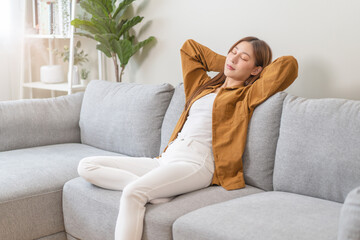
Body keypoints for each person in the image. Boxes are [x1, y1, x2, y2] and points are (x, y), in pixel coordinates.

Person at [77, 37, 298, 240]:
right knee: (86, 166)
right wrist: (229, 64)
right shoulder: (203, 86)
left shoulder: (247, 95)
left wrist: (242, 70)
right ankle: (159, 194)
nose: (234, 58)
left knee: (133, 193)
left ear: (256, 69)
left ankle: (153, 191)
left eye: (244, 58)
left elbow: (289, 66)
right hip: (166, 158)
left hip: (196, 163)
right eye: (233, 51)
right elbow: (189, 49)